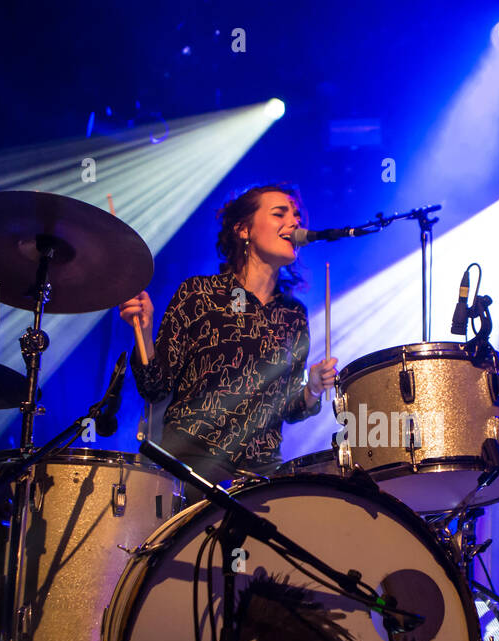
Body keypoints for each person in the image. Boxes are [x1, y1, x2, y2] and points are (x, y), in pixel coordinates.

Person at [119, 184, 337, 495]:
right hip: (192, 462)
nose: (294, 222)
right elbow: (155, 388)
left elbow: (288, 409)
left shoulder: (293, 314)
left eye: (297, 216)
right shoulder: (199, 294)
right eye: (280, 213)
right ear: (243, 229)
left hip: (260, 472)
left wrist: (313, 388)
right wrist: (144, 330)